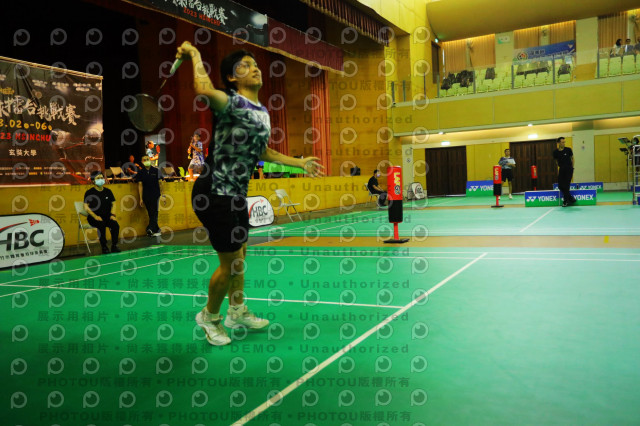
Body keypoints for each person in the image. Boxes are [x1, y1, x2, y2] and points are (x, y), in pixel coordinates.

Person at [176, 41, 324, 346]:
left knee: (240, 256)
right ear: (232, 77)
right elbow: (203, 88)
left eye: (255, 64)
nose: (254, 68)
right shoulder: (229, 101)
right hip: (214, 191)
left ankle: (237, 310)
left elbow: (264, 152)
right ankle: (209, 316)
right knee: (230, 263)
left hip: (236, 194)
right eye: (244, 65)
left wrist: (299, 163)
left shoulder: (262, 113)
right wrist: (195, 54)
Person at [83, 171, 121, 254]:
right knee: (101, 224)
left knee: (115, 225)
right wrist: (95, 216)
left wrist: (113, 215)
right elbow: (85, 207)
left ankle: (114, 245)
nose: (100, 179)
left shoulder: (108, 191)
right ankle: (104, 246)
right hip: (94, 217)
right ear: (93, 181)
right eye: (98, 178)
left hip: (107, 216)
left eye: (101, 177)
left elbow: (114, 203)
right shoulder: (89, 192)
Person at [135, 155, 164, 237]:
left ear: (150, 160)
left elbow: (161, 183)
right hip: (146, 195)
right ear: (142, 162)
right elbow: (140, 185)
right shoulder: (140, 172)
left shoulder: (156, 170)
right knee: (151, 212)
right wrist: (141, 198)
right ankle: (156, 229)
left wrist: (163, 195)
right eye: (144, 160)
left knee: (154, 211)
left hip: (155, 194)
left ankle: (149, 228)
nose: (146, 161)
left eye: (147, 159)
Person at [553, 136, 576, 207]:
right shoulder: (555, 152)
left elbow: (572, 158)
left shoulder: (568, 150)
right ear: (558, 143)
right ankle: (570, 198)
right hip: (561, 169)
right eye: (562, 142)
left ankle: (565, 202)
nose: (564, 143)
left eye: (564, 142)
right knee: (560, 186)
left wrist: (572, 168)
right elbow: (556, 161)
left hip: (569, 169)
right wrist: (559, 166)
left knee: (566, 185)